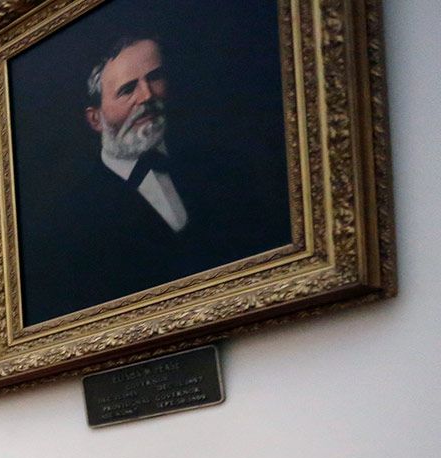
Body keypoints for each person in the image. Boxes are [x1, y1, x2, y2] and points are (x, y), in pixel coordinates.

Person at [19, 32, 291, 325]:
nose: (147, 96)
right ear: (95, 118)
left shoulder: (224, 170)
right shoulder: (68, 221)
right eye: (127, 90)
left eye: (155, 78)